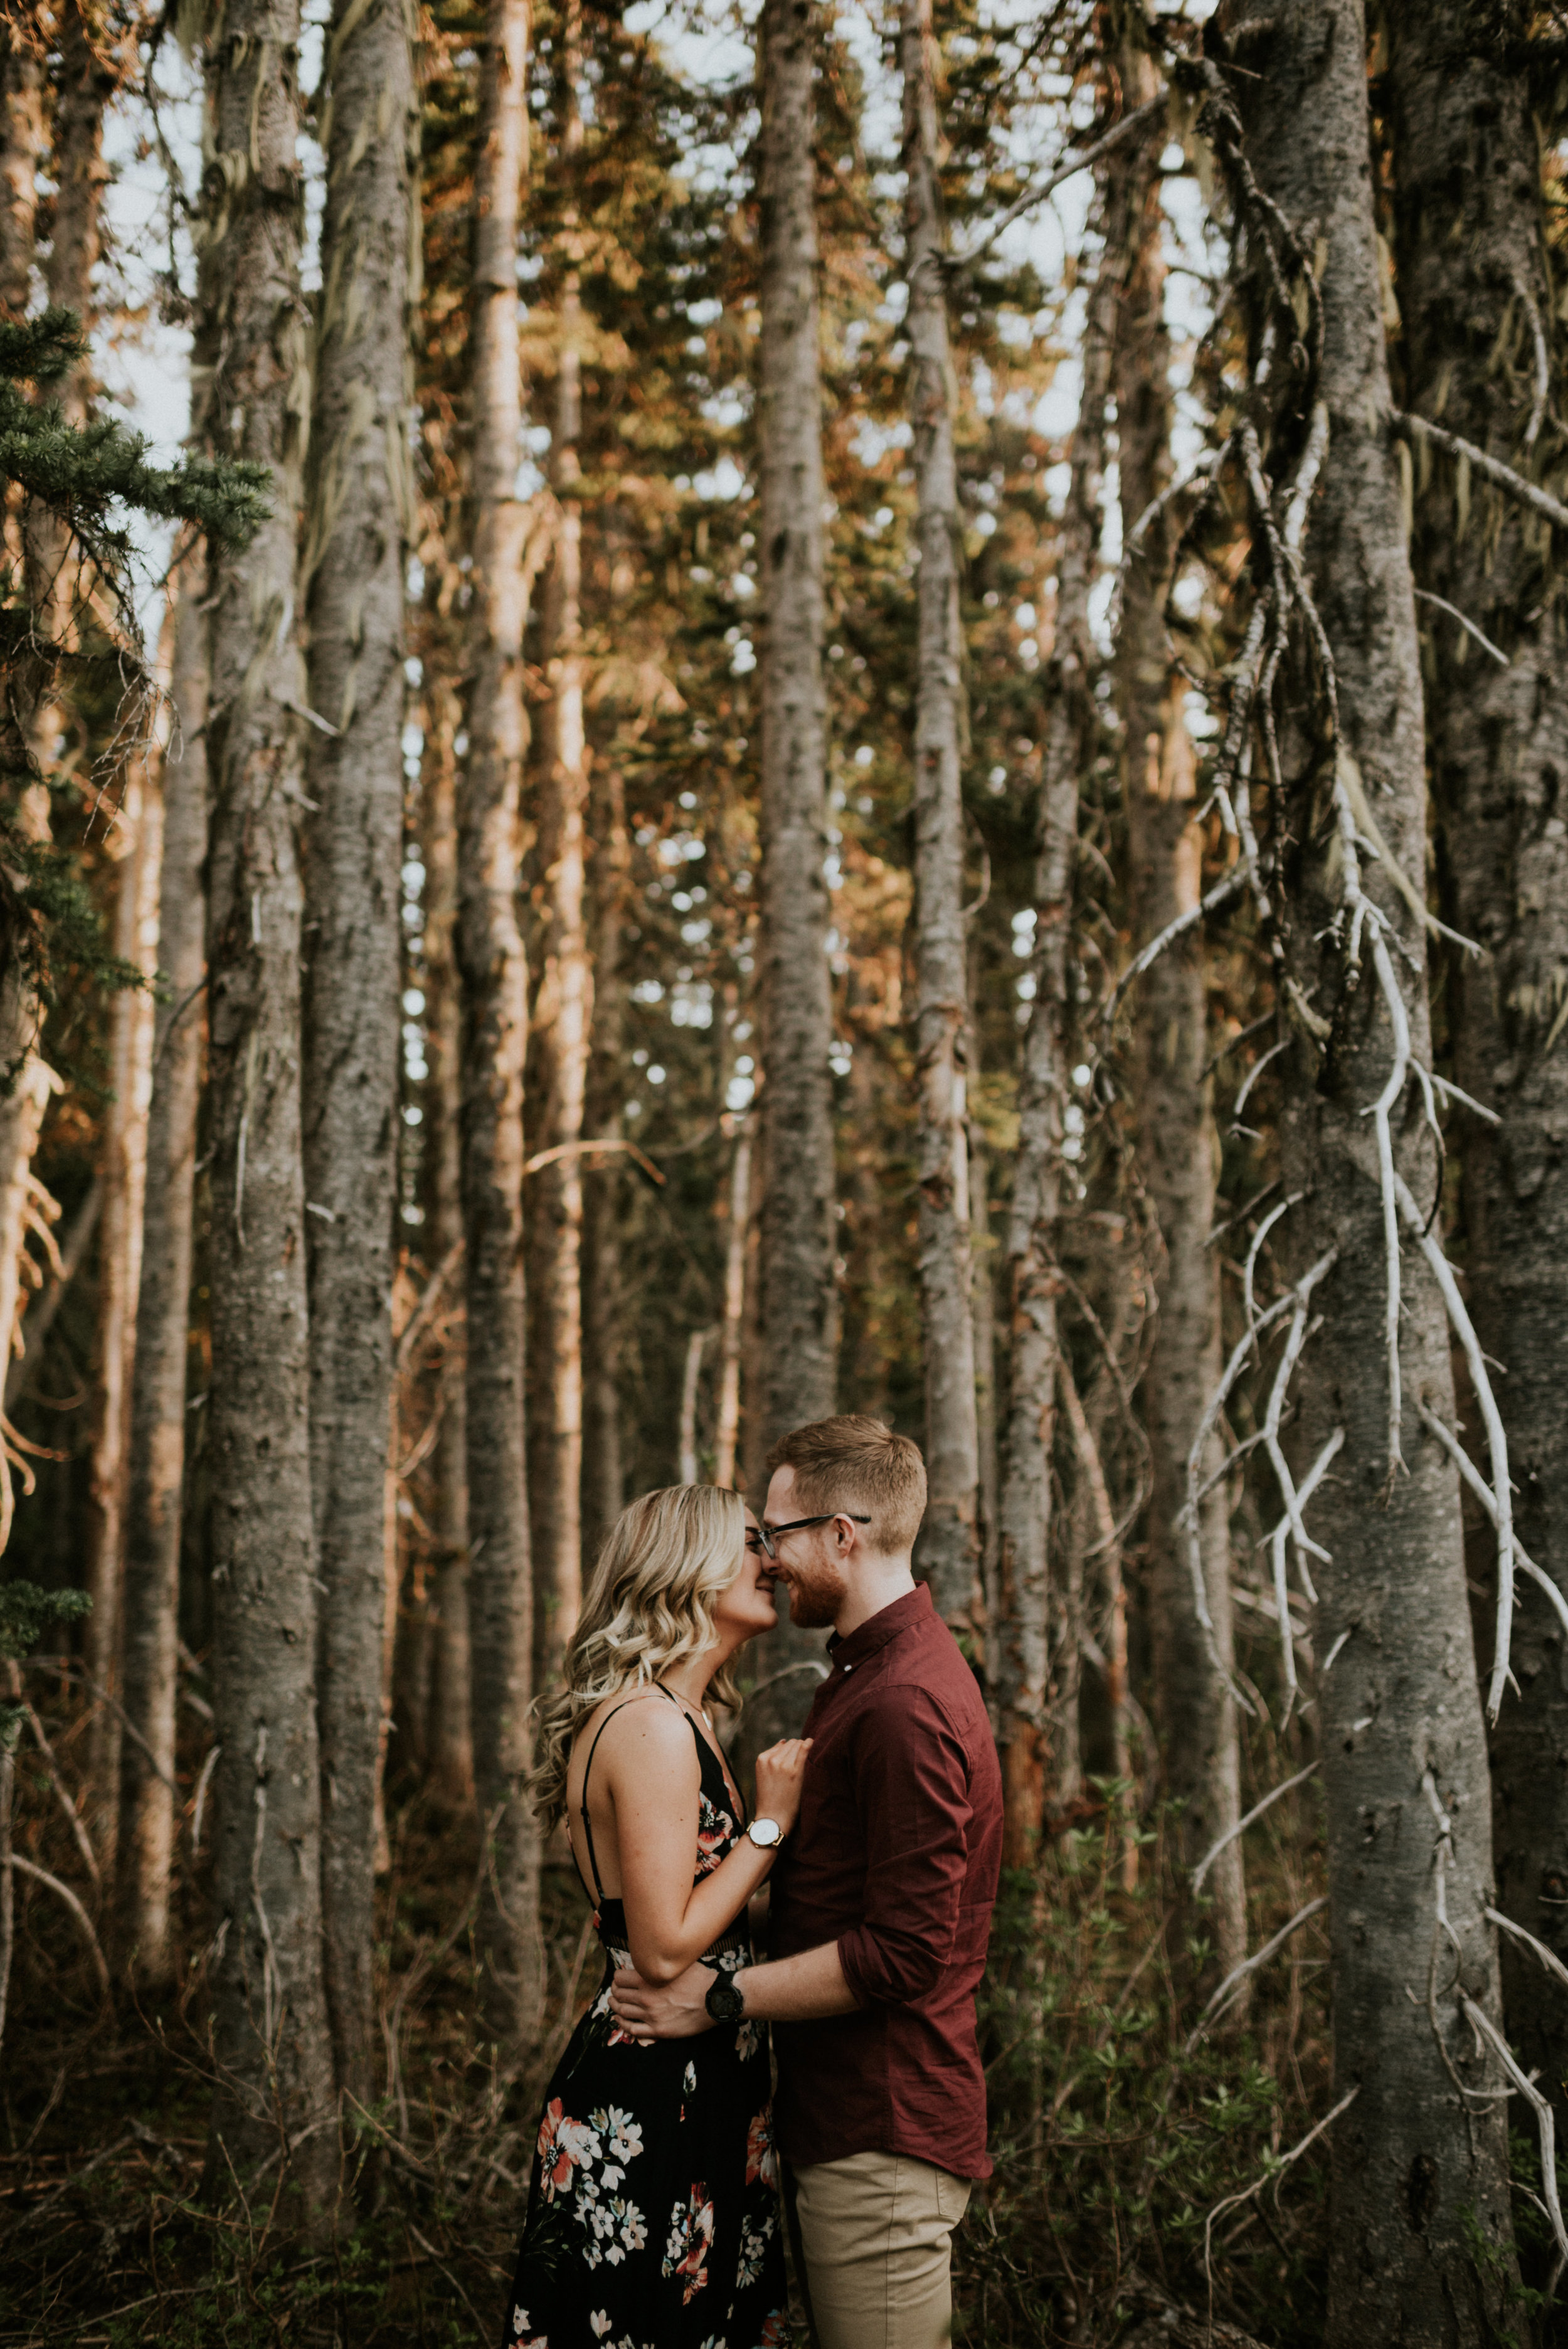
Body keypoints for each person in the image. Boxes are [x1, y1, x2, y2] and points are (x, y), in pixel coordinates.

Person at [611, 1416, 1004, 2349]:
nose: (768, 1557)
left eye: (776, 1532)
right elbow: (837, 1903)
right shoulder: (869, 1675)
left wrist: (716, 1997)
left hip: (885, 2132)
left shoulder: (904, 1700)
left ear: (843, 1532)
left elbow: (905, 1952)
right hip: (847, 2123)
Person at [504, 1483, 809, 2349]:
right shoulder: (650, 1725)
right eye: (752, 1540)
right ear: (690, 1564)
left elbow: (706, 1911)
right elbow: (665, 1942)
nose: (773, 1559)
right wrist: (770, 1823)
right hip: (651, 2086)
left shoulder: (688, 1716)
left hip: (705, 2076)